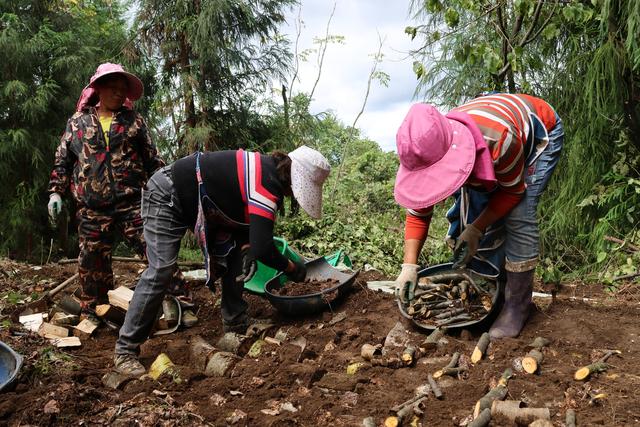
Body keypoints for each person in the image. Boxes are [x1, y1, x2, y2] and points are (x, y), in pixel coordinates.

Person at [113, 145, 331, 376]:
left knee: (237, 252)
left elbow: (239, 212)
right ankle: (125, 350)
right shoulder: (267, 184)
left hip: (201, 200)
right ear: (291, 178)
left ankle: (235, 322)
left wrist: (247, 246)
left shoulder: (267, 171)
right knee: (161, 269)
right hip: (167, 193)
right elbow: (264, 247)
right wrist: (292, 268)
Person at [393, 93, 564, 339]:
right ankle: (492, 284)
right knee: (471, 207)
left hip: (539, 133)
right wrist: (409, 265)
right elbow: (419, 211)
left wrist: (476, 229)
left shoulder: (499, 142)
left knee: (518, 214)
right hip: (494, 132)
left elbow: (512, 192)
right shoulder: (422, 149)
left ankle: (518, 305)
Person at [47, 63, 165, 309]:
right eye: (113, 88)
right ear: (98, 89)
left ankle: (178, 303)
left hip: (133, 203)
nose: (119, 93)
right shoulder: (78, 122)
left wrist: (166, 191)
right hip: (91, 208)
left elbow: (153, 161)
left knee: (156, 249)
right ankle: (96, 310)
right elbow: (63, 161)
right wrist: (56, 193)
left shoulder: (134, 121)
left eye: (123, 89)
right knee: (92, 264)